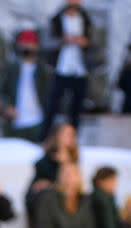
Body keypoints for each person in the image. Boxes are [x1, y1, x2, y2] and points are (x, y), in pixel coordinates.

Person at [41, 0, 93, 137]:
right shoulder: (56, 19)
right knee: (52, 105)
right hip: (61, 68)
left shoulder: (86, 19)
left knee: (77, 108)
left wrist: (84, 42)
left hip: (80, 69)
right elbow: (46, 43)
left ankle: (73, 138)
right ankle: (45, 137)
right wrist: (63, 40)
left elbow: (94, 43)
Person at [0, 29, 51, 142]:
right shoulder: (11, 68)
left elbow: (49, 94)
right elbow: (0, 91)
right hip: (15, 122)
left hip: (37, 121)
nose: (27, 46)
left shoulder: (43, 70)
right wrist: (7, 107)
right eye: (24, 43)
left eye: (30, 43)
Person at [25, 122, 78, 227]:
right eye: (66, 134)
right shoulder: (47, 158)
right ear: (57, 135)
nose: (70, 138)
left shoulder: (73, 158)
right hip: (44, 198)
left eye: (72, 135)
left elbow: (73, 182)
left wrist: (66, 162)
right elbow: (40, 183)